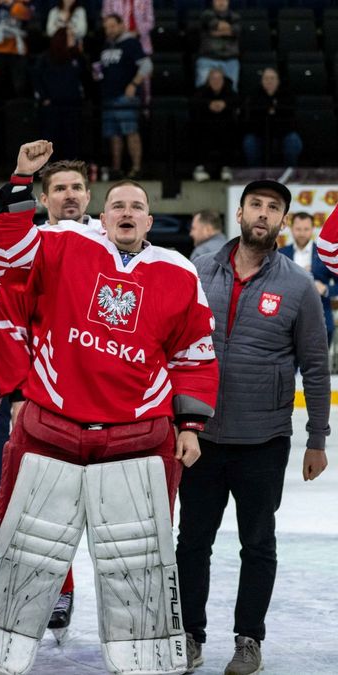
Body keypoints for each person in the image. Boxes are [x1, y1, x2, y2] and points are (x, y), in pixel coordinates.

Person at [0, 140, 218, 675]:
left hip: (137, 435)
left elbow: (195, 354)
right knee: (26, 544)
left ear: (151, 219)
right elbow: (1, 253)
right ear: (103, 217)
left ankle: (145, 653)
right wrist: (18, 180)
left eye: (137, 206)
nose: (127, 213)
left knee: (139, 556)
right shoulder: (62, 243)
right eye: (118, 205)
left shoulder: (178, 271)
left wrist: (189, 424)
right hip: (53, 423)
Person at [179, 180, 329, 675]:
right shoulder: (198, 272)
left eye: (273, 208)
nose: (263, 214)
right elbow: (173, 349)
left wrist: (317, 440)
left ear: (284, 221)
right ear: (239, 213)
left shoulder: (297, 286)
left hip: (264, 441)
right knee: (192, 542)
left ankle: (249, 640)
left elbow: (315, 364)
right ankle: (190, 635)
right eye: (256, 205)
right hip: (198, 436)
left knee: (258, 543)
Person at [0, 158, 101, 641]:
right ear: (44, 199)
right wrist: (16, 392)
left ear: (89, 195)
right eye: (60, 189)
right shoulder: (29, 248)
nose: (70, 195)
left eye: (77, 187)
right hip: (44, 398)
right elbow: (8, 321)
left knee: (109, 511)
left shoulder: (112, 241)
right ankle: (62, 588)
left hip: (108, 400)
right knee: (40, 506)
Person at [96, 13, 151, 179]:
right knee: (114, 134)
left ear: (122, 25)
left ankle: (136, 168)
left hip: (124, 96)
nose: (109, 30)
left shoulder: (131, 43)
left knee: (130, 131)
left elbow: (147, 65)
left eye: (112, 26)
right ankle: (116, 168)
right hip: (108, 95)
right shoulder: (106, 45)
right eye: (107, 28)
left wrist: (133, 85)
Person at [280, 212, 336, 345]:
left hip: (320, 319)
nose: (302, 233)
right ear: (291, 228)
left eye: (306, 229)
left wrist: (326, 289)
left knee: (318, 365)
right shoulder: (281, 254)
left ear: (312, 229)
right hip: (287, 321)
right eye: (298, 229)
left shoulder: (325, 254)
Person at [33, 27, 86, 162]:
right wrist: (44, 98)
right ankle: (50, 169)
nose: (74, 39)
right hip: (52, 106)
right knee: (51, 139)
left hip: (72, 105)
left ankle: (72, 169)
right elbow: (36, 78)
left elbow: (86, 78)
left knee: (72, 139)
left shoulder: (77, 57)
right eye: (71, 36)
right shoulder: (46, 58)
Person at [242, 67, 302, 168]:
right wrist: (273, 110)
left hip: (283, 132)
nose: (269, 81)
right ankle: (255, 175)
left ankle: (290, 173)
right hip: (260, 133)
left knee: (293, 141)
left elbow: (290, 117)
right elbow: (252, 119)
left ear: (278, 81)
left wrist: (268, 111)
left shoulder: (287, 94)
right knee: (249, 142)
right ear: (262, 81)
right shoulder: (254, 95)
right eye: (266, 78)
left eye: (272, 78)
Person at [190, 67, 238, 182]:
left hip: (225, 127)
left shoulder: (229, 90)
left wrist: (224, 104)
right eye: (213, 79)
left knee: (231, 131)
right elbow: (194, 101)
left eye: (219, 79)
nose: (216, 82)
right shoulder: (202, 91)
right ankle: (200, 168)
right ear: (208, 80)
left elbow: (237, 100)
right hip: (204, 127)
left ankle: (226, 168)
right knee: (195, 131)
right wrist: (208, 104)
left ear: (223, 80)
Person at [0, 0, 32, 99]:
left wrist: (10, 4)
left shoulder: (21, 4)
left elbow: (26, 15)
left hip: (17, 50)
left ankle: (18, 110)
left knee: (20, 86)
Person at [196, 0, 240, 89]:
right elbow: (218, 25)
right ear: (213, 2)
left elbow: (235, 31)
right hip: (208, 58)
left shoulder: (235, 16)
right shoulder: (206, 15)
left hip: (230, 59)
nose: (221, 2)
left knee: (232, 91)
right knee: (201, 89)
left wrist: (216, 31)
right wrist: (227, 30)